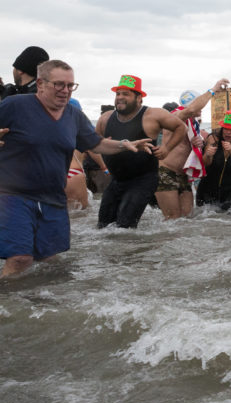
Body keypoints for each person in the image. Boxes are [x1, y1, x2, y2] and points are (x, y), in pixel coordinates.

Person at [0, 60, 153, 277]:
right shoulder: (15, 105)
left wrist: (123, 144)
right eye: (59, 85)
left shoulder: (73, 116)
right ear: (41, 83)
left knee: (49, 260)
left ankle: (36, 304)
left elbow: (96, 144)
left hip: (53, 198)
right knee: (20, 259)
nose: (65, 91)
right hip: (13, 195)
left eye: (70, 86)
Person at [95, 75, 188, 229]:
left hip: (142, 180)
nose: (120, 98)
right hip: (116, 180)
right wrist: (103, 160)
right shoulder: (106, 118)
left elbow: (181, 127)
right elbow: (93, 142)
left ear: (139, 98)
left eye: (126, 94)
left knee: (124, 227)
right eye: (118, 94)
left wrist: (166, 148)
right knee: (103, 227)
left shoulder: (153, 115)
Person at [155, 79, 230, 219]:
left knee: (188, 219)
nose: (201, 108)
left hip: (183, 176)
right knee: (172, 219)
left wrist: (198, 145)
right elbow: (192, 109)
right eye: (199, 103)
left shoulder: (193, 125)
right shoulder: (175, 116)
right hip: (166, 172)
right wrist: (213, 90)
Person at [195, 110, 231, 211]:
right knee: (203, 221)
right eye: (226, 128)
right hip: (207, 188)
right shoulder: (213, 139)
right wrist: (208, 155)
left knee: (230, 223)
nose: (228, 132)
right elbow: (204, 164)